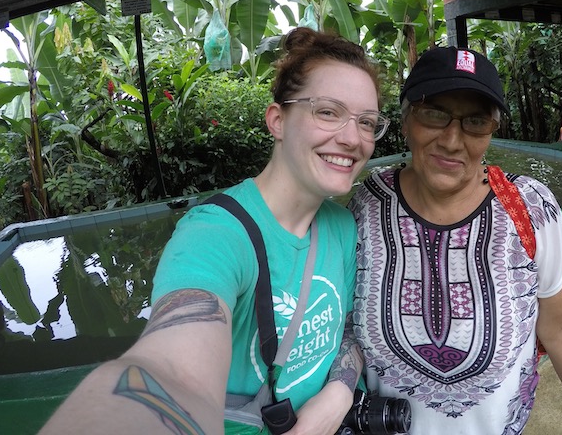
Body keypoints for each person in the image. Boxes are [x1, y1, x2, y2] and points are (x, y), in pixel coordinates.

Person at [39, 27, 389, 435]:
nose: (351, 138)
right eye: (328, 112)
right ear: (277, 120)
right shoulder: (215, 234)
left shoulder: (342, 226)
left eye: (366, 122)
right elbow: (172, 370)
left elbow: (346, 327)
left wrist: (338, 396)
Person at [348, 46, 562, 435]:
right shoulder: (364, 206)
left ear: (491, 130)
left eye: (475, 122)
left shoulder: (530, 207)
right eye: (434, 114)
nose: (452, 140)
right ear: (405, 121)